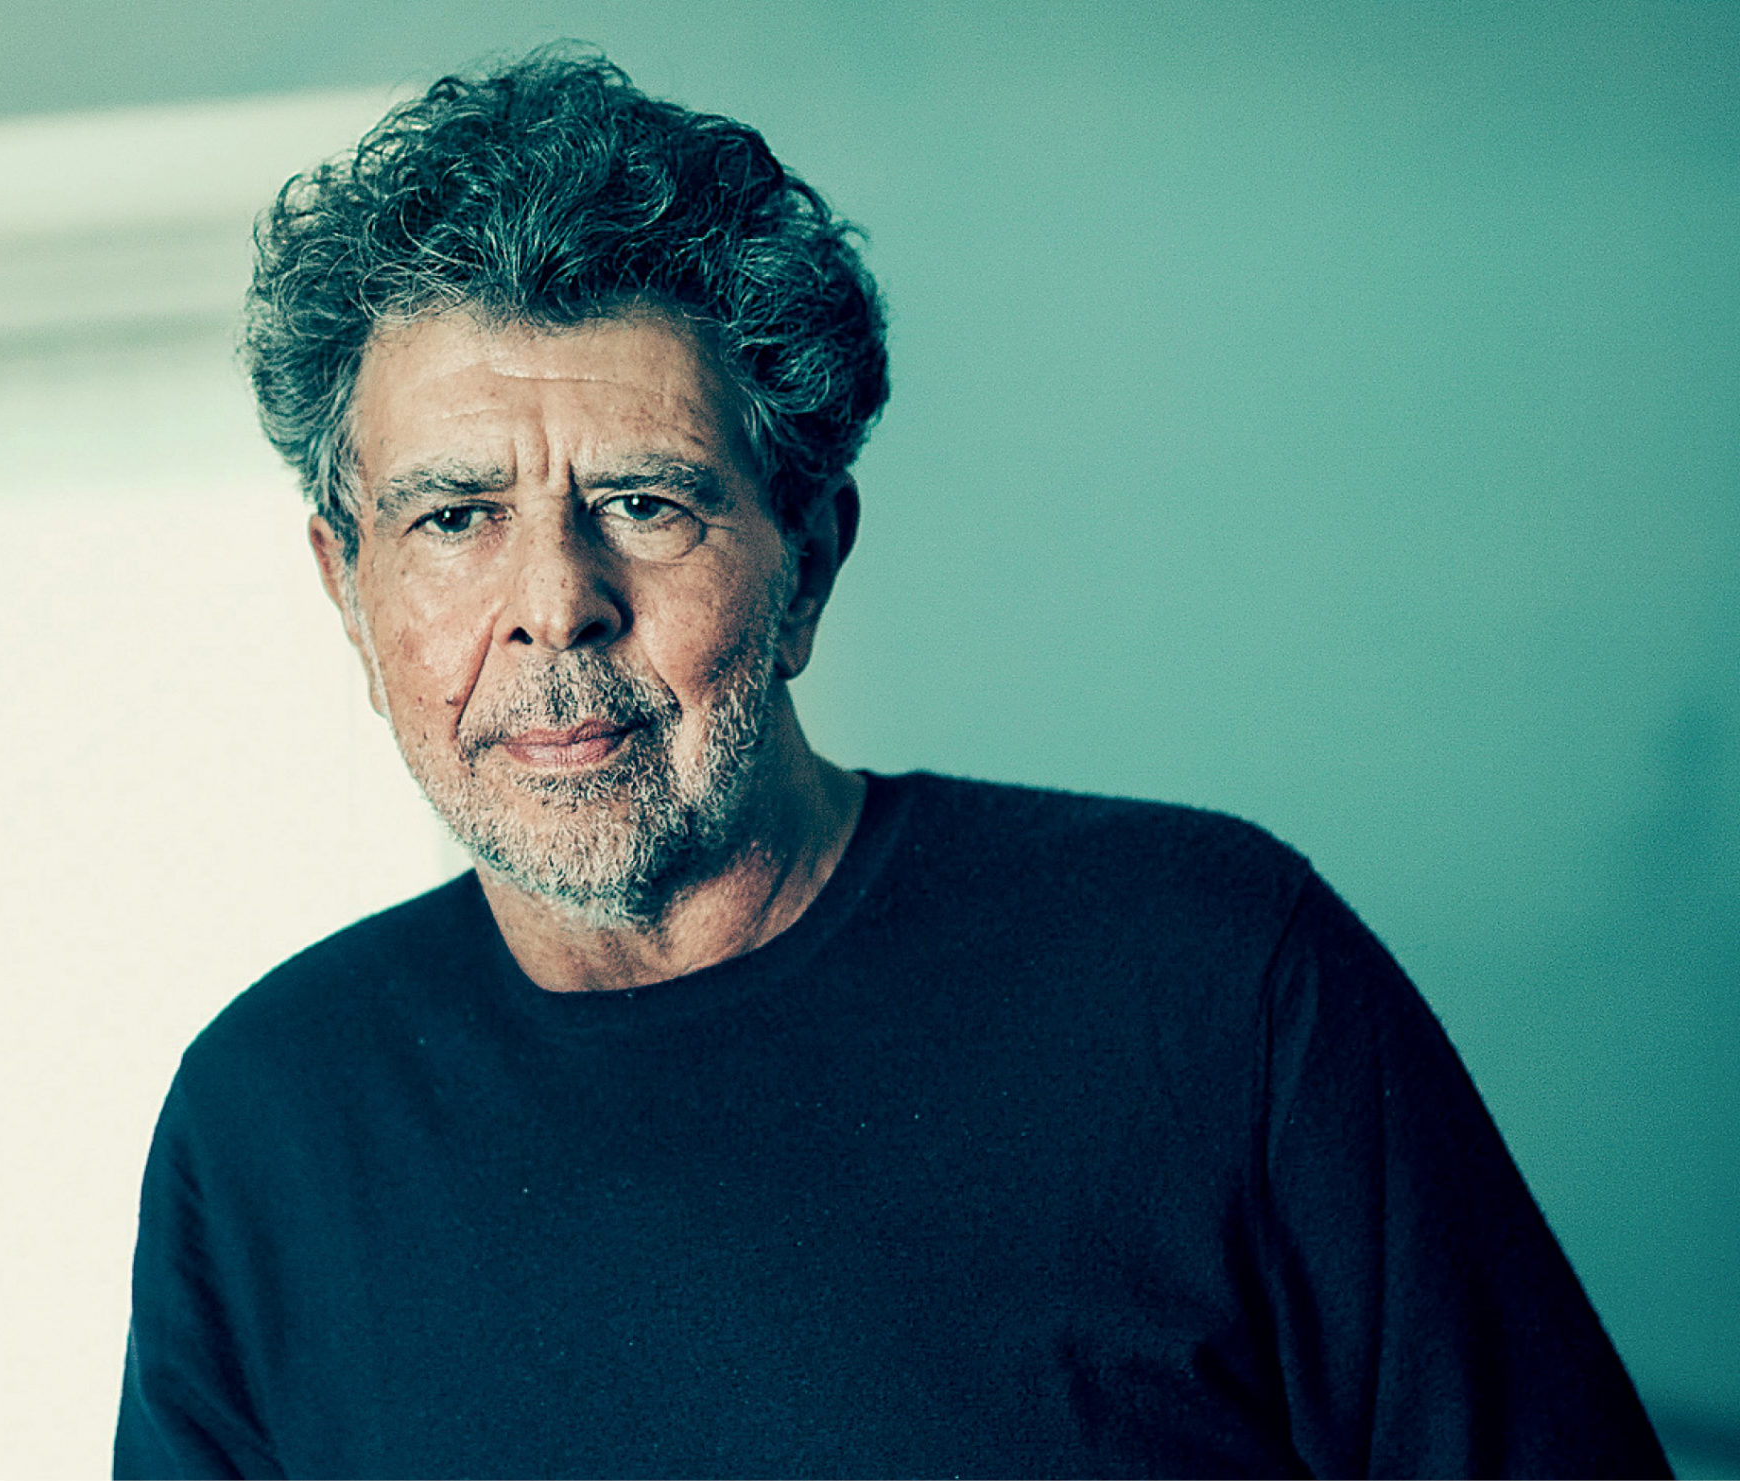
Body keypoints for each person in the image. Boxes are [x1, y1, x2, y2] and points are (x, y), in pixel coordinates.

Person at [114, 48, 1669, 1480]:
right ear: (347, 583)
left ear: (812, 561)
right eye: (454, 518)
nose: (552, 605)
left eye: (649, 504)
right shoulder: (261, 1130)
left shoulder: (1213, 977)